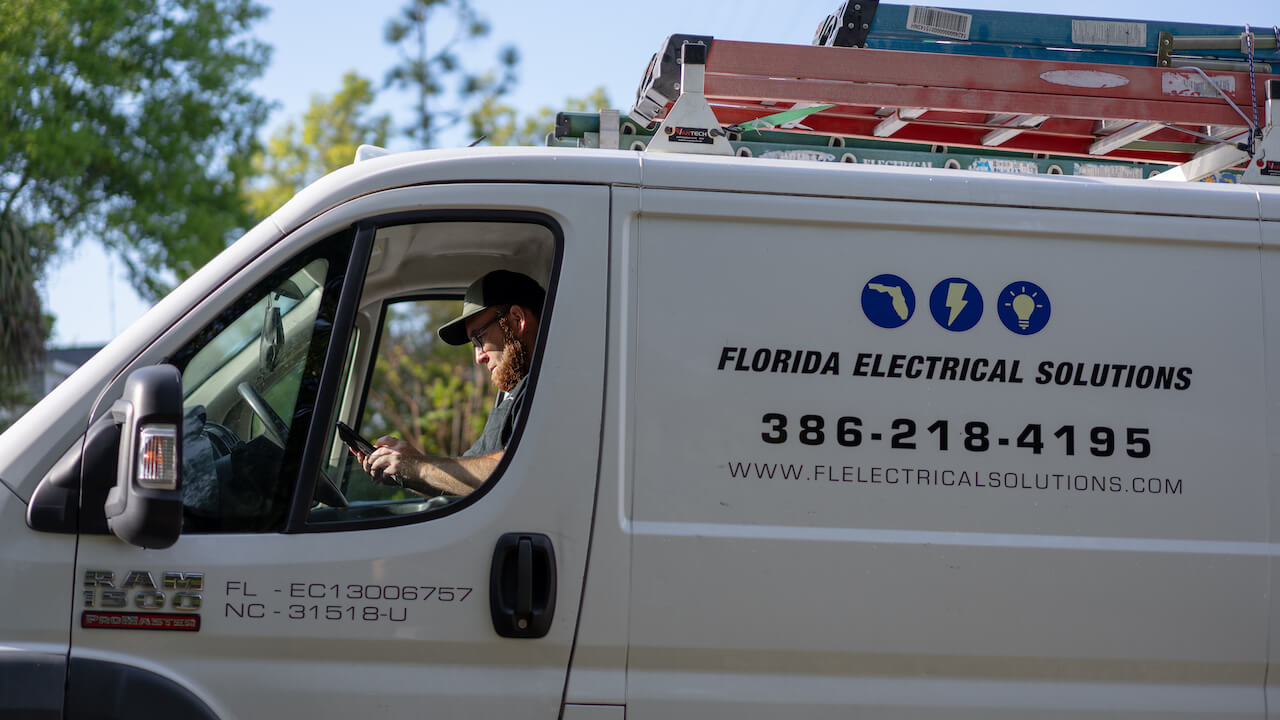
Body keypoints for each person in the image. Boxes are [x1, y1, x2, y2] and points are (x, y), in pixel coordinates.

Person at [358, 270, 545, 497]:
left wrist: (416, 467)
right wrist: (411, 466)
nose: (478, 357)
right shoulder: (517, 394)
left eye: (479, 338)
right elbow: (465, 482)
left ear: (517, 319)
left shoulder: (551, 386)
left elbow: (519, 469)